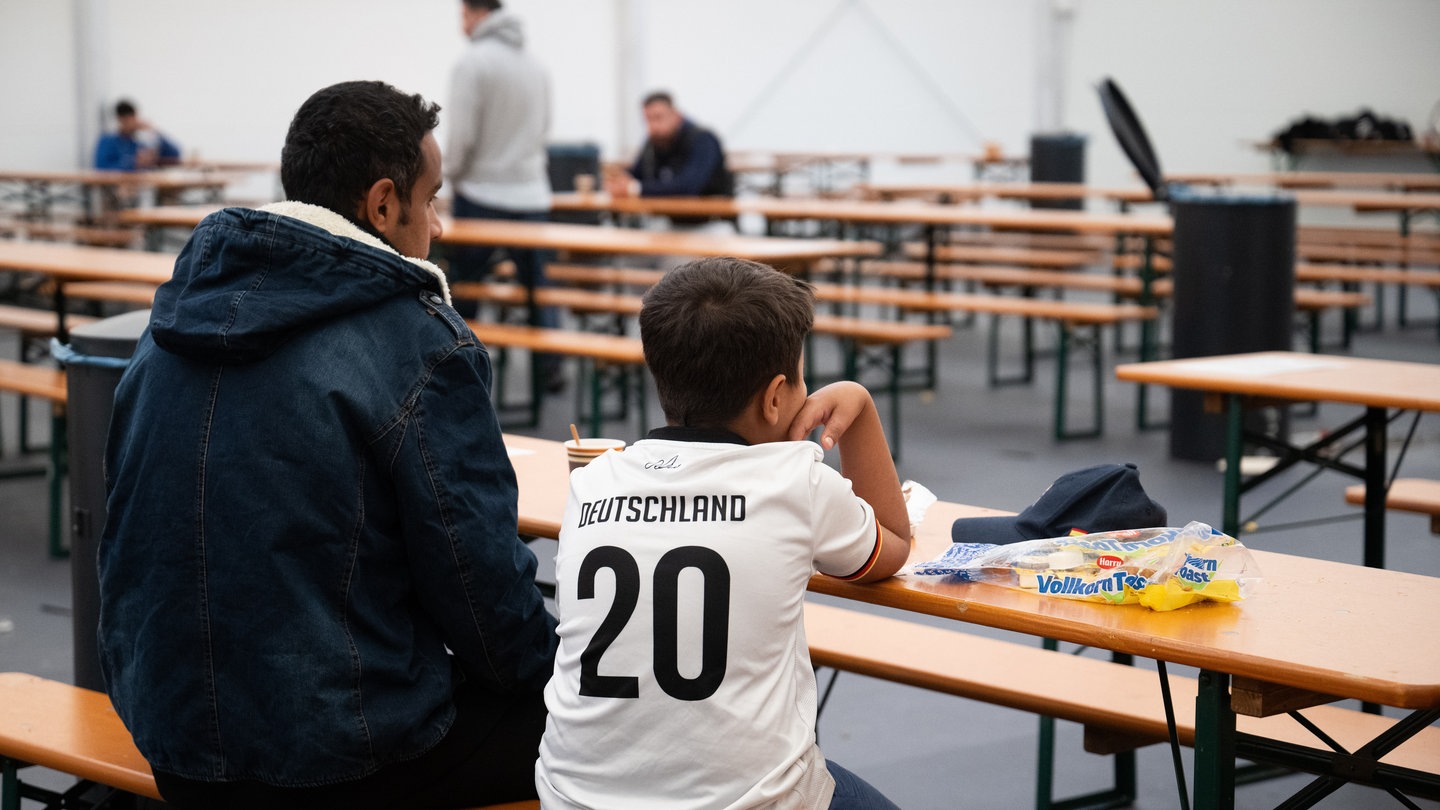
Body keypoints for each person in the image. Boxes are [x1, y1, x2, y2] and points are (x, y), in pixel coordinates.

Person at [97, 80, 558, 810]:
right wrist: (565, 676)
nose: (436, 227)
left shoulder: (165, 331)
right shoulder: (417, 343)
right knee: (603, 733)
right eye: (431, 199)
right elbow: (481, 596)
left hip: (172, 737)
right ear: (382, 204)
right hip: (339, 753)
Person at [536, 257, 910, 809]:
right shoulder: (796, 482)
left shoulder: (593, 482)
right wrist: (860, 405)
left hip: (574, 797)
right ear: (776, 396)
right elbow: (893, 544)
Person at [445, 0, 563, 390]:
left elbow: (461, 136)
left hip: (481, 193)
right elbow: (545, 129)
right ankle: (551, 369)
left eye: (462, 14)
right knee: (537, 285)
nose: (461, 23)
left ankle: (461, 371)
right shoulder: (537, 65)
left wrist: (452, 175)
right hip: (531, 194)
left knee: (466, 289)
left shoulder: (473, 62)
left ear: (476, 13)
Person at [606, 91, 734, 199]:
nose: (653, 126)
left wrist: (635, 188)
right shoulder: (654, 142)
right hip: (665, 220)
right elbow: (636, 174)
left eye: (658, 118)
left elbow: (688, 187)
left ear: (676, 116)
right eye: (648, 120)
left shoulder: (703, 140)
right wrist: (618, 180)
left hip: (710, 223)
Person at [93, 99, 182, 171]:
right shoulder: (107, 140)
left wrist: (155, 132)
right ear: (120, 120)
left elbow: (175, 154)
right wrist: (133, 163)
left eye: (134, 118)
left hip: (142, 186)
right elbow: (100, 167)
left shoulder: (139, 141)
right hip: (116, 187)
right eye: (128, 120)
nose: (133, 122)